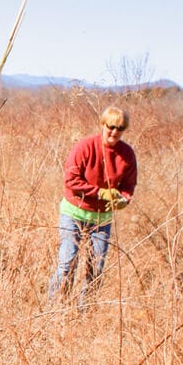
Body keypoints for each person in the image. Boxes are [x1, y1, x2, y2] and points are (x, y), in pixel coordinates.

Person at [47, 105, 138, 304]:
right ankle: (54, 308)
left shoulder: (127, 154)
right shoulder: (85, 147)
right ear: (103, 125)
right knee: (68, 263)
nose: (115, 131)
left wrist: (123, 200)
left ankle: (85, 312)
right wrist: (99, 192)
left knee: (95, 267)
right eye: (111, 126)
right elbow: (70, 181)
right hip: (74, 213)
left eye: (120, 128)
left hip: (101, 219)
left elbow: (129, 186)